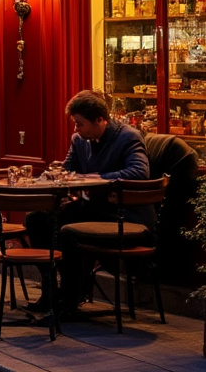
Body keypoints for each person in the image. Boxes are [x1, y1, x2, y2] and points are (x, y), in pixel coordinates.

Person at [25, 89, 149, 315]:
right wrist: (55, 174)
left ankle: (70, 301)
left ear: (100, 120)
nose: (75, 129)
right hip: (92, 208)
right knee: (37, 219)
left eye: (79, 124)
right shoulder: (79, 140)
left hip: (120, 213)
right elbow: (69, 168)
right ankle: (51, 291)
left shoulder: (128, 136)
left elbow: (139, 172)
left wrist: (100, 177)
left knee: (68, 231)